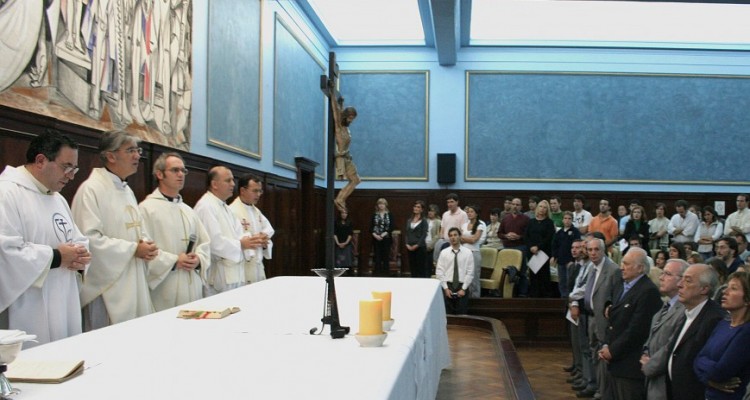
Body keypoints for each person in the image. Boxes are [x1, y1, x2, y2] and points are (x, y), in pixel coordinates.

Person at [0, 131, 91, 347]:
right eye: (66, 167)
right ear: (41, 160)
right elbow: (5, 252)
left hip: (64, 299)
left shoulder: (57, 198)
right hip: (27, 306)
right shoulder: (7, 192)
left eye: (74, 169)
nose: (71, 175)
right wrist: (58, 257)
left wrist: (81, 255)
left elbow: (77, 238)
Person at [72, 130, 159, 330]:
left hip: (132, 279)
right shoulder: (91, 189)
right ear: (111, 156)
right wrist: (133, 249)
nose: (138, 156)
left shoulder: (126, 189)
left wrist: (146, 244)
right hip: (107, 288)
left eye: (138, 150)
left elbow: (136, 228)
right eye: (130, 150)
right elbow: (89, 240)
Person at [138, 153, 210, 312]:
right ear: (159, 174)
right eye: (175, 170)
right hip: (164, 287)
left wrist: (198, 258)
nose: (180, 175)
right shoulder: (146, 209)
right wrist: (174, 261)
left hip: (191, 286)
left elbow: (205, 244)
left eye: (183, 171)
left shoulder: (188, 210)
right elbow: (143, 249)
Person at [598, 247, 662, 400]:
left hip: (629, 365)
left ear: (640, 268)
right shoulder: (622, 284)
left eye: (626, 264)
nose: (621, 267)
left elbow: (636, 329)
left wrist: (612, 350)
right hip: (614, 361)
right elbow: (612, 316)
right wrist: (606, 345)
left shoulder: (648, 291)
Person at [667, 264, 725, 400]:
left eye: (688, 280)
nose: (680, 285)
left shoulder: (714, 319)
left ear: (704, 289)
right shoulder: (687, 312)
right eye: (682, 279)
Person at [195, 166, 252, 295]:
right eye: (228, 180)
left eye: (233, 180)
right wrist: (241, 244)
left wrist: (250, 239)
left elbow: (239, 233)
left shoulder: (224, 206)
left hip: (233, 274)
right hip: (218, 277)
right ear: (214, 184)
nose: (233, 184)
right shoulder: (206, 206)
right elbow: (213, 242)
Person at [694, 271, 750, 400]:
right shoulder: (723, 324)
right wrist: (709, 381)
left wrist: (704, 365)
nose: (725, 292)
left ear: (747, 299)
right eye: (727, 287)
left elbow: (720, 372)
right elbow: (696, 359)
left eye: (734, 288)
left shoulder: (746, 332)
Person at [640, 258, 689, 400]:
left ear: (681, 280)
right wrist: (644, 352)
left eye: (667, 274)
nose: (661, 278)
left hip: (666, 381)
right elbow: (652, 335)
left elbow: (671, 346)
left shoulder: (685, 309)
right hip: (652, 378)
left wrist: (650, 366)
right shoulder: (666, 305)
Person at [229, 174, 274, 284]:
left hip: (257, 267)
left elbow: (269, 230)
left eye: (260, 191)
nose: (258, 195)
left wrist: (264, 242)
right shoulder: (232, 211)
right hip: (241, 267)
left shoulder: (256, 212)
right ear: (243, 190)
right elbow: (230, 241)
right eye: (255, 191)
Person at [329, 86, 361, 213]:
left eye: (353, 118)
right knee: (355, 180)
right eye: (350, 118)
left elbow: (340, 110)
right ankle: (340, 199)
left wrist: (341, 103)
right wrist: (332, 95)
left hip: (347, 157)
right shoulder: (339, 127)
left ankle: (341, 198)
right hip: (342, 157)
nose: (351, 120)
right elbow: (336, 112)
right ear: (346, 116)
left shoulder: (345, 127)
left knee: (356, 180)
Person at [435, 227, 474, 315]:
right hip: (448, 286)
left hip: (462, 286)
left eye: (455, 235)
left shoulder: (468, 253)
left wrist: (463, 289)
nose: (453, 237)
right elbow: (439, 272)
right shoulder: (444, 253)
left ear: (460, 236)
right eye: (451, 236)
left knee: (462, 316)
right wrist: (445, 288)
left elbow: (470, 272)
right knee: (447, 316)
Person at [499, 197, 530, 297]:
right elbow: (499, 233)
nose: (515, 206)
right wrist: (506, 236)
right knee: (506, 271)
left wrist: (519, 236)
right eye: (513, 204)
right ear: (511, 205)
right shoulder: (505, 218)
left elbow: (529, 235)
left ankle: (522, 293)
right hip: (507, 248)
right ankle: (506, 293)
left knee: (522, 271)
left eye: (517, 205)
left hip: (520, 247)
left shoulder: (526, 219)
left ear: (521, 206)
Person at [551, 211, 581, 298]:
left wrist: (573, 260)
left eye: (569, 219)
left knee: (570, 281)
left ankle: (571, 298)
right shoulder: (559, 232)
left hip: (570, 261)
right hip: (560, 261)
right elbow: (554, 245)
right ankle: (563, 297)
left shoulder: (575, 231)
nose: (567, 220)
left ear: (572, 220)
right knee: (562, 281)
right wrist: (554, 256)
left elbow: (577, 245)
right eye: (565, 218)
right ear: (562, 220)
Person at [433, 193, 468, 264]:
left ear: (457, 202)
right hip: (445, 243)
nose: (450, 204)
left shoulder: (463, 214)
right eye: (448, 202)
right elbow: (442, 229)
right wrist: (441, 238)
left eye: (452, 202)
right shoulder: (445, 214)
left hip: (456, 243)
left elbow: (462, 231)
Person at [460, 204, 486, 298]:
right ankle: (465, 297)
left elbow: (474, 240)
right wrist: (468, 238)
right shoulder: (464, 225)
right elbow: (460, 238)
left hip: (474, 253)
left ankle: (475, 298)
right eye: (468, 212)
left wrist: (465, 238)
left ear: (476, 214)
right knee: (464, 276)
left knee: (474, 278)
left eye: (471, 212)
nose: (469, 213)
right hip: (464, 253)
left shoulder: (480, 225)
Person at [405, 200, 429, 278]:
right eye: (415, 206)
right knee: (413, 269)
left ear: (422, 210)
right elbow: (407, 233)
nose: (416, 208)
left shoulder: (424, 221)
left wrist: (417, 245)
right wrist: (407, 244)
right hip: (410, 247)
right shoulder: (409, 220)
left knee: (420, 269)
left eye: (418, 207)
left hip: (420, 248)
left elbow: (424, 234)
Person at [371, 198, 394, 276]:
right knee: (377, 256)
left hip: (386, 238)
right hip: (376, 238)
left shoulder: (389, 214)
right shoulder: (374, 215)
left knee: (385, 256)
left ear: (385, 205)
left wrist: (384, 234)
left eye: (383, 204)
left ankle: (386, 274)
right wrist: (375, 235)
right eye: (380, 204)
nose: (381, 205)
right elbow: (371, 227)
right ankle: (377, 274)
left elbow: (392, 226)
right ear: (377, 205)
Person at [425, 204, 441, 274]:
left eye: (432, 211)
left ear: (436, 212)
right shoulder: (424, 221)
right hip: (423, 245)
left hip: (433, 247)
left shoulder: (439, 222)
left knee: (430, 265)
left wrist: (430, 245)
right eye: (429, 211)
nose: (430, 213)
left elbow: (438, 235)